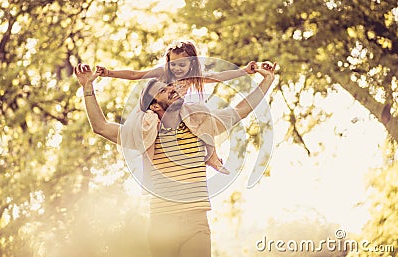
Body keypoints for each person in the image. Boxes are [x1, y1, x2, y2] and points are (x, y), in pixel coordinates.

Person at [74, 60, 276, 257]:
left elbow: (240, 110)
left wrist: (266, 80)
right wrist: (87, 86)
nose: (172, 89)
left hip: (196, 222)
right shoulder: (145, 135)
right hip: (162, 223)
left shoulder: (200, 124)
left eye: (171, 86)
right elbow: (100, 126)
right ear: (153, 106)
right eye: (163, 90)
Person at [95, 40, 258, 174]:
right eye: (174, 64)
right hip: (154, 112)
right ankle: (148, 172)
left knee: (202, 113)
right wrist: (109, 73)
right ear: (168, 62)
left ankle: (212, 157)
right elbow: (134, 74)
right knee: (149, 136)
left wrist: (244, 71)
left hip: (175, 115)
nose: (177, 68)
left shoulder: (192, 77)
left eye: (182, 65)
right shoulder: (162, 73)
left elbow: (218, 77)